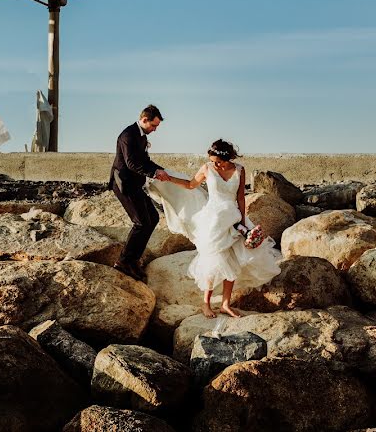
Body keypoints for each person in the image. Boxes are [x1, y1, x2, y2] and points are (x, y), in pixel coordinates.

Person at [150, 139, 281, 318]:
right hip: (213, 220)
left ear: (227, 157)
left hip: (233, 219)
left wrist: (243, 222)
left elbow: (241, 197)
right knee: (212, 259)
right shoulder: (207, 168)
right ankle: (206, 304)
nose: (215, 164)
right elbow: (190, 185)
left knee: (234, 260)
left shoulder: (240, 170)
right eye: (212, 161)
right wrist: (168, 179)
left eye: (218, 161)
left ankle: (225, 304)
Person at [110, 105, 170, 280]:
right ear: (144, 120)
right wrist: (154, 173)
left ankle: (133, 260)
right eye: (153, 126)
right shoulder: (128, 135)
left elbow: (145, 160)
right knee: (141, 222)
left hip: (135, 184)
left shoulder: (142, 136)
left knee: (153, 218)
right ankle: (123, 262)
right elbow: (132, 163)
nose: (155, 130)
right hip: (124, 185)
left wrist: (161, 170)